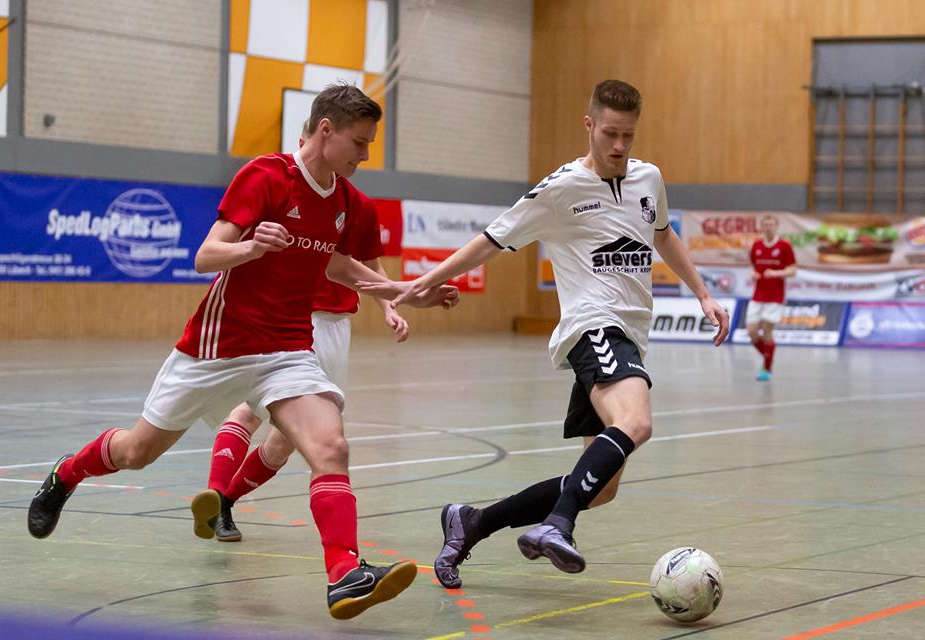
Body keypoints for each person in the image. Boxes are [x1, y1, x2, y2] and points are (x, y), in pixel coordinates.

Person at [27, 84, 458, 619]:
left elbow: (336, 265)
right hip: (219, 347)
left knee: (331, 447)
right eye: (359, 142)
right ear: (326, 130)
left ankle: (344, 574)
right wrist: (251, 246)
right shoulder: (266, 176)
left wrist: (407, 293)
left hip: (287, 349)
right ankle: (67, 473)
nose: (365, 155)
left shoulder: (344, 200)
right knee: (137, 451)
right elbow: (206, 255)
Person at [360, 79, 729, 587]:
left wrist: (703, 294)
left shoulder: (649, 178)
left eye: (628, 135)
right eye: (610, 133)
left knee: (600, 487)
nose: (619, 145)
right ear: (589, 125)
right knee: (637, 423)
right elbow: (491, 239)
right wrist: (425, 280)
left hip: (630, 333)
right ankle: (559, 524)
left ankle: (472, 523)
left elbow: (663, 235)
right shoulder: (560, 189)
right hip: (593, 326)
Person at [196, 190, 409, 544]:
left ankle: (225, 503)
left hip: (335, 327)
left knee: (283, 443)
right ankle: (213, 494)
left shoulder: (359, 206)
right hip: (288, 316)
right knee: (249, 410)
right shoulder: (287, 189)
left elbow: (370, 265)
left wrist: (389, 307)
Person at [746, 215, 796, 381]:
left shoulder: (784, 246)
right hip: (758, 295)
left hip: (775, 296)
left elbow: (793, 270)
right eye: (765, 225)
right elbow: (753, 267)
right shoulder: (756, 245)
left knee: (767, 331)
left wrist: (776, 273)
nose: (768, 228)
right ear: (761, 227)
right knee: (751, 332)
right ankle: (769, 356)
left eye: (771, 225)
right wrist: (753, 274)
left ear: (776, 226)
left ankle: (766, 368)